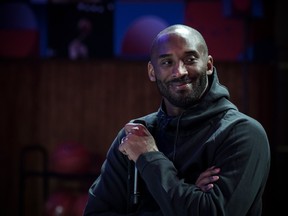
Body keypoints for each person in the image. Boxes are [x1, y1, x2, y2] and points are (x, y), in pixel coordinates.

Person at [83, 24, 270, 215]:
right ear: (152, 71)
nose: (179, 72)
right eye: (167, 62)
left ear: (208, 65)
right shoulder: (134, 136)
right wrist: (189, 197)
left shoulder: (243, 133)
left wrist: (148, 157)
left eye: (190, 59)